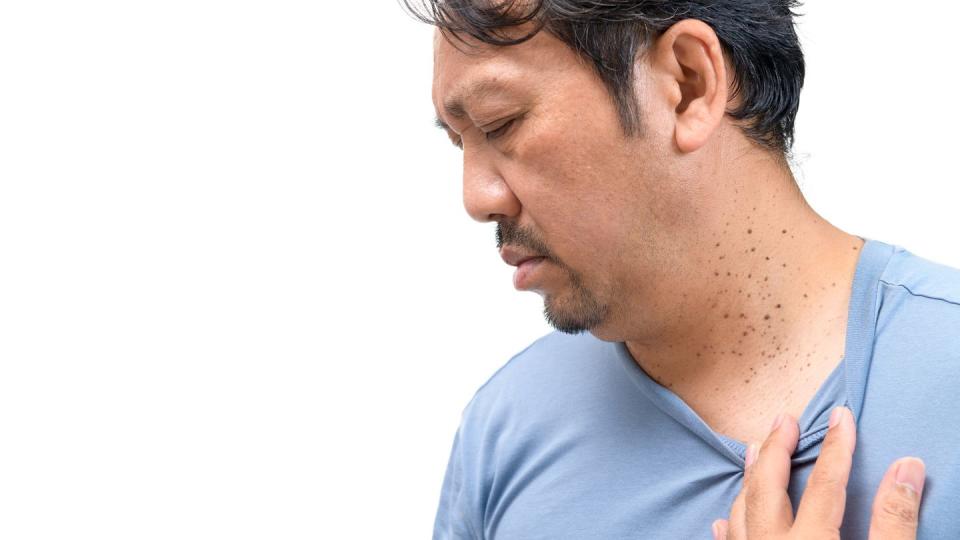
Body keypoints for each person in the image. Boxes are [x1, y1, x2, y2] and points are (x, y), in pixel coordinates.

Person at [403, 1, 960, 538]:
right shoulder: (503, 432)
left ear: (688, 86)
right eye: (459, 143)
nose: (476, 198)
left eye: (500, 123)